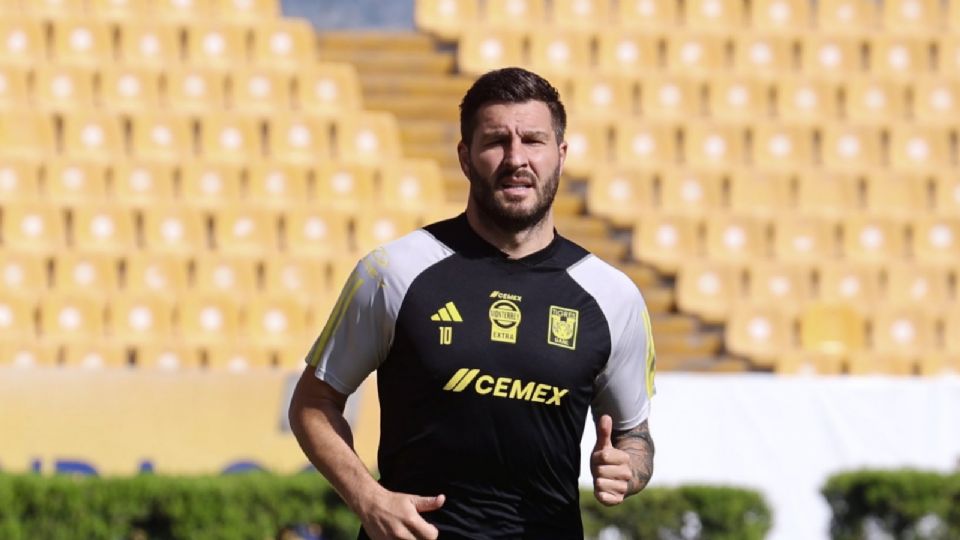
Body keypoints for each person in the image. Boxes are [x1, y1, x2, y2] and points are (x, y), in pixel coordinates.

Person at [288, 67, 656, 540]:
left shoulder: (613, 296)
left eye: (533, 141)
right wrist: (368, 498)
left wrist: (629, 469)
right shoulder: (394, 271)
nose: (516, 158)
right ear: (465, 156)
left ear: (561, 155)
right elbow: (313, 404)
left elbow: (635, 436)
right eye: (496, 141)